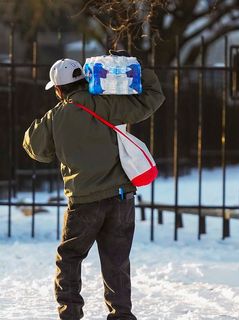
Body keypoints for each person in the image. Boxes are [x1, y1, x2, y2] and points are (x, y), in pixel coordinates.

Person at [23, 56, 165, 320]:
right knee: (117, 262)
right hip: (120, 197)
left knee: (69, 257)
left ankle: (70, 313)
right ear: (85, 80)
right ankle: (121, 315)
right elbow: (153, 98)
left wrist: (55, 115)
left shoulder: (56, 117)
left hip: (83, 201)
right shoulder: (107, 104)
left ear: (58, 89)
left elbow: (35, 148)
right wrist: (139, 70)